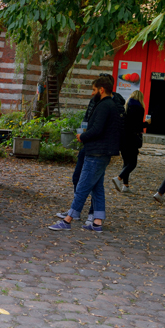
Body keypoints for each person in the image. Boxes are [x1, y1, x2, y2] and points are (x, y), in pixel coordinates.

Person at [48, 75, 122, 233]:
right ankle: (97, 222)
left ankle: (68, 220)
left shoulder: (104, 105)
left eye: (94, 90)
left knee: (82, 186)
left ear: (101, 90)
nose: (92, 93)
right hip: (103, 152)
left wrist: (82, 136)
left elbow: (97, 129)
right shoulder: (112, 105)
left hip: (96, 152)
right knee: (97, 188)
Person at [111, 90, 149, 193]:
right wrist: (146, 123)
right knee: (133, 163)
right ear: (140, 98)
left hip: (123, 138)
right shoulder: (139, 109)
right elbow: (136, 126)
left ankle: (126, 186)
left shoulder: (126, 108)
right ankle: (118, 178)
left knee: (126, 162)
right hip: (132, 139)